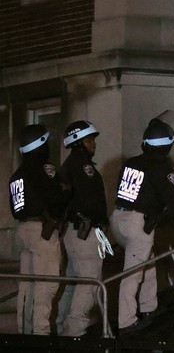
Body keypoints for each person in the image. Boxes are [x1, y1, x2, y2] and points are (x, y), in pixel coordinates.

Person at [110, 118, 174, 333]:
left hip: (118, 219)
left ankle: (148, 307)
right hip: (138, 224)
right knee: (133, 272)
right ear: (167, 145)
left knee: (147, 262)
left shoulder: (131, 163)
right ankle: (126, 322)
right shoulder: (163, 168)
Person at [8, 123, 66, 335]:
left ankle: (24, 331)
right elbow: (56, 198)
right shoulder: (45, 168)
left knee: (27, 285)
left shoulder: (17, 174)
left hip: (23, 229)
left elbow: (16, 207)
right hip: (43, 231)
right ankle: (41, 333)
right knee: (47, 283)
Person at [57, 120, 109, 337]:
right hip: (85, 230)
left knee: (73, 283)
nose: (93, 144)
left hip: (74, 231)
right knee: (89, 282)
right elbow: (91, 201)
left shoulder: (70, 165)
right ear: (77, 143)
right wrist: (101, 222)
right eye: (89, 140)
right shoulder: (83, 166)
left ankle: (62, 327)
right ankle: (75, 331)